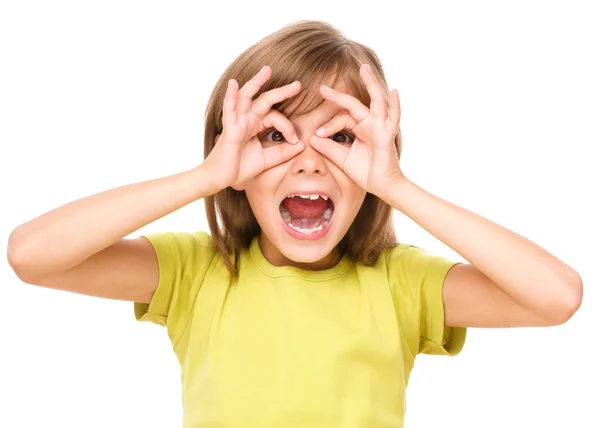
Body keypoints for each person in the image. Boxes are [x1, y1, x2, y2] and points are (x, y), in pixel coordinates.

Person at [7, 20, 583, 428]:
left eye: (339, 137)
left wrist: (399, 187)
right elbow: (31, 255)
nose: (309, 160)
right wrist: (206, 176)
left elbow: (556, 297)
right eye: (276, 136)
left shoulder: (400, 284)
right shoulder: (199, 272)